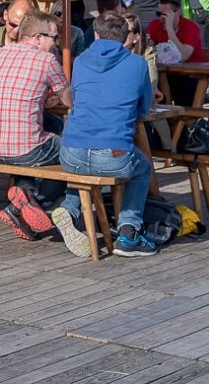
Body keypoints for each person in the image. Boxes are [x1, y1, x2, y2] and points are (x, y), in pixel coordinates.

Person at [51, 13, 157, 258]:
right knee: (142, 168)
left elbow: (75, 98)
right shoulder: (138, 64)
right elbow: (143, 108)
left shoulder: (80, 61)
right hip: (113, 154)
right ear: (125, 37)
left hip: (71, 151)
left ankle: (69, 208)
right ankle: (128, 232)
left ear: (96, 35)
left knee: (83, 169)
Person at [0, 11, 73, 240]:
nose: (56, 43)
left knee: (46, 129)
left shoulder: (0, 54)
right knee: (74, 155)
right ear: (37, 37)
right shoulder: (47, 60)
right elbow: (70, 100)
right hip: (24, 148)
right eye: (53, 37)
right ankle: (28, 203)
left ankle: (23, 196)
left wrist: (44, 98)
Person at [146, 0, 205, 105]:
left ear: (177, 13)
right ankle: (165, 119)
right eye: (158, 14)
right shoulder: (155, 25)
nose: (160, 18)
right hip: (166, 74)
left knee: (184, 88)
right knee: (152, 84)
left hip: (190, 75)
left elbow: (184, 55)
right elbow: (147, 48)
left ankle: (184, 121)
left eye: (164, 14)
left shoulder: (191, 27)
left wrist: (170, 29)